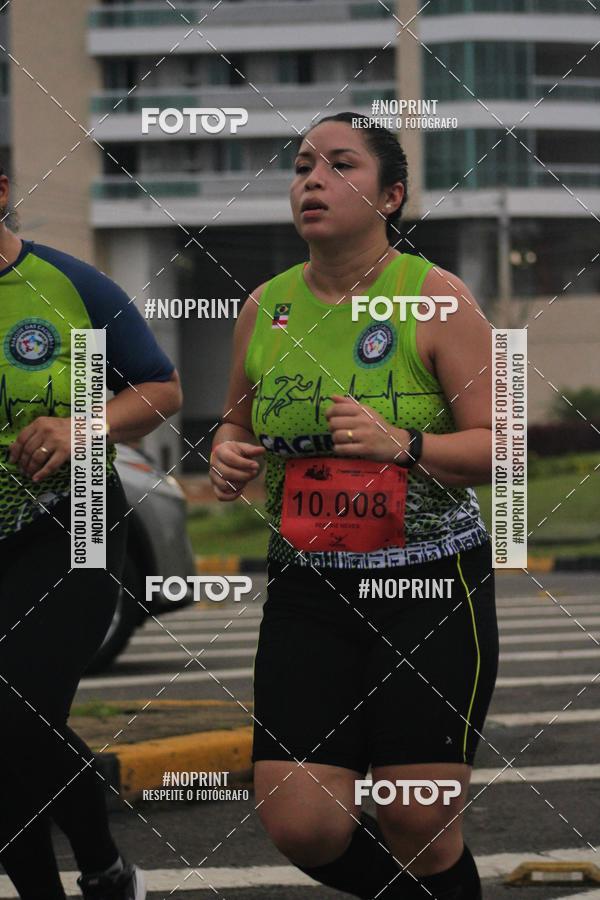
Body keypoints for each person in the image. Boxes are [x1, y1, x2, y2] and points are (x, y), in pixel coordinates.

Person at [210, 111, 498, 900]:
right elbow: (235, 423)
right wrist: (227, 453)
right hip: (308, 589)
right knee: (302, 824)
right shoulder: (264, 306)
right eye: (303, 165)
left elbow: (503, 447)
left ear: (391, 196)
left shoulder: (436, 297)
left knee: (417, 815)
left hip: (429, 587)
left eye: (341, 165)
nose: (313, 180)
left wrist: (405, 444)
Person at [0, 164, 182, 900]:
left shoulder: (70, 286)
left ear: (1, 190)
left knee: (14, 711)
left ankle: (104, 867)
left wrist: (81, 425)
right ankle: (85, 883)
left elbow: (161, 388)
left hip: (71, 521)